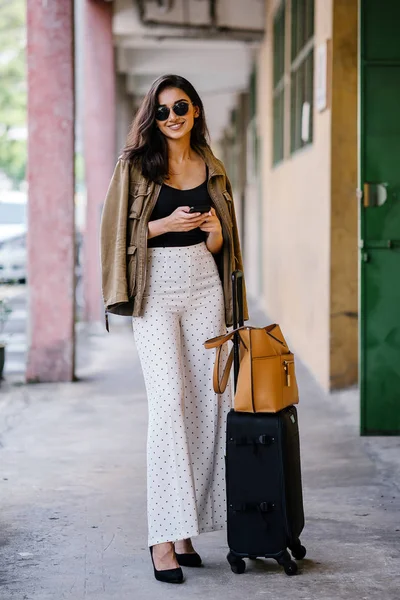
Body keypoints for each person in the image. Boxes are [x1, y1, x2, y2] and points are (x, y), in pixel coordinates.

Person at [100, 74, 249, 584]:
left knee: (209, 406)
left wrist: (213, 233)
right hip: (156, 294)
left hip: (205, 287)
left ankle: (186, 529)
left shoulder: (213, 167)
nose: (172, 117)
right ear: (152, 117)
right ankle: (161, 537)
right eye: (162, 111)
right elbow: (113, 235)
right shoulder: (136, 166)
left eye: (180, 106)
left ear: (196, 110)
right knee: (168, 405)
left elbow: (222, 246)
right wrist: (163, 226)